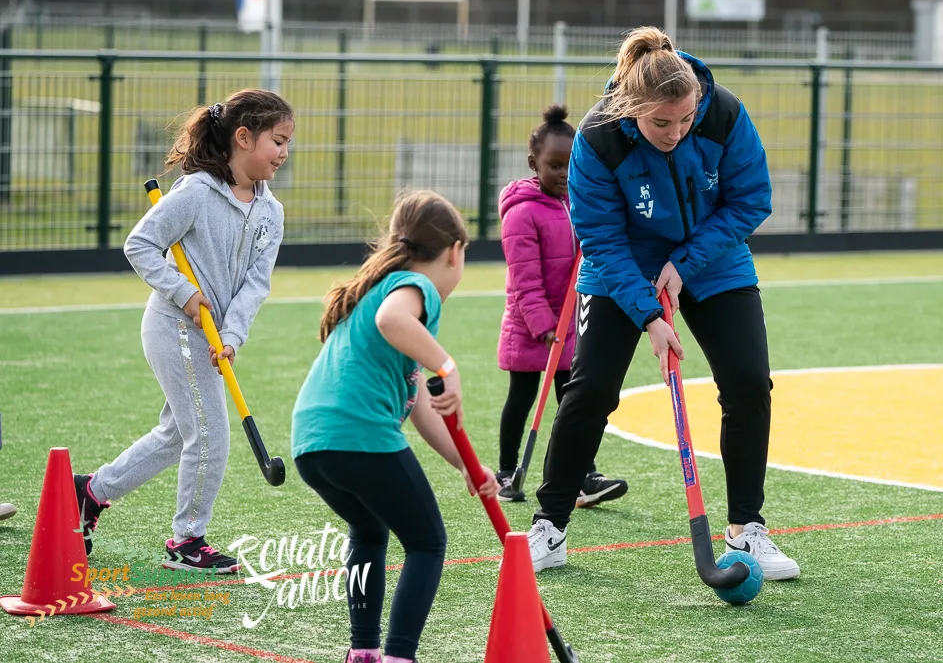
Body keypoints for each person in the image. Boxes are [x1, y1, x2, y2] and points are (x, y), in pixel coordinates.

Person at [526, 26, 800, 581]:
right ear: (633, 110)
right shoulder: (599, 138)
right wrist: (648, 314)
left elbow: (752, 200)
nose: (675, 132)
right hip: (621, 265)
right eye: (660, 123)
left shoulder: (722, 113)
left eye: (684, 119)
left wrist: (686, 264)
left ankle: (747, 529)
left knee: (749, 383)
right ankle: (550, 526)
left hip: (713, 258)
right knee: (591, 389)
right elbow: (600, 238)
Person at [74, 89, 295, 573]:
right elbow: (141, 245)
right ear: (243, 137)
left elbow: (256, 285)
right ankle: (188, 541)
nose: (283, 153)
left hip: (216, 338)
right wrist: (184, 293)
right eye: (277, 141)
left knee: (178, 434)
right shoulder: (195, 192)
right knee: (211, 435)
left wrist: (232, 335)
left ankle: (89, 492)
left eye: (287, 143)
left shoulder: (271, 212)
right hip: (173, 326)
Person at [292, 190, 499, 663]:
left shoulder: (377, 287)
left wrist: (467, 464)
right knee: (427, 542)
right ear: (455, 252)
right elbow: (392, 321)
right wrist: (449, 366)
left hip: (313, 443)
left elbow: (420, 405)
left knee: (369, 530)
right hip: (360, 436)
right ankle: (399, 657)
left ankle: (363, 651)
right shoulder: (412, 289)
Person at [495, 105, 627, 508]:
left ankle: (583, 474)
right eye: (554, 165)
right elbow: (525, 279)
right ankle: (506, 470)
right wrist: (543, 325)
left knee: (573, 400)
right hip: (532, 326)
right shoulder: (521, 213)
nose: (564, 174)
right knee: (521, 397)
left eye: (571, 165)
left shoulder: (577, 205)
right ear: (534, 163)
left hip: (570, 323)